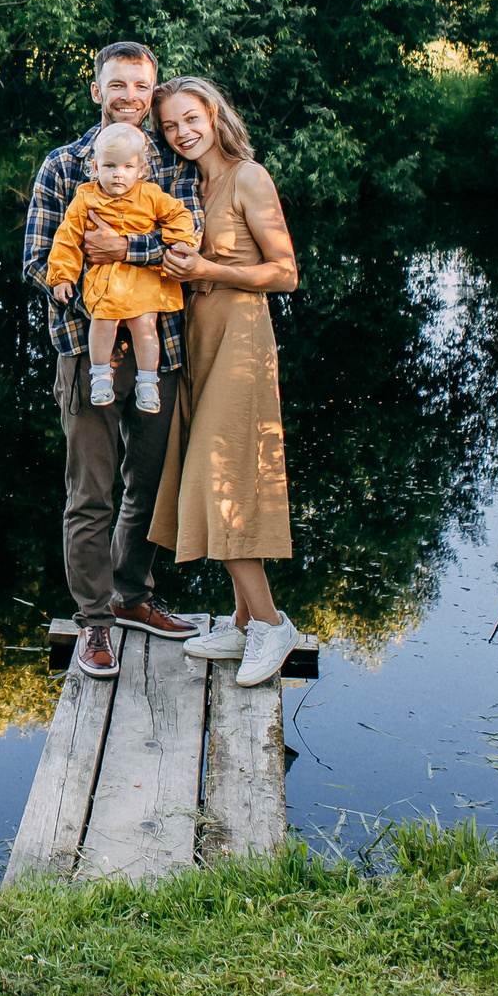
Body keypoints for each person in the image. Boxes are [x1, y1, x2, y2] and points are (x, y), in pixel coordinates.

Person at [23, 42, 205, 681]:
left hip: (163, 351)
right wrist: (94, 290)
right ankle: (94, 622)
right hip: (87, 350)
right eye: (118, 85)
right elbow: (39, 260)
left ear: (152, 96)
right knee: (91, 491)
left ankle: (133, 594)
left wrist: (124, 248)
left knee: (147, 484)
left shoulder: (168, 165)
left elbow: (189, 243)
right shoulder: (64, 166)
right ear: (97, 90)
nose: (131, 96)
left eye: (142, 88)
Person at [149, 76, 303, 688]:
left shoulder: (248, 175)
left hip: (241, 343)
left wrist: (208, 267)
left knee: (221, 476)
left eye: (191, 119)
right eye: (169, 127)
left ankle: (271, 624)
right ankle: (241, 624)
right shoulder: (189, 185)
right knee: (222, 473)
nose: (182, 133)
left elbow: (286, 273)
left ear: (214, 113)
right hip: (198, 343)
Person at [42, 123, 200, 412]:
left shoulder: (151, 195)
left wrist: (179, 241)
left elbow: (180, 215)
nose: (118, 174)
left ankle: (148, 382)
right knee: (103, 319)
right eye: (110, 166)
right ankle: (101, 375)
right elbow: (67, 237)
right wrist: (61, 277)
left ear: (140, 169)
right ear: (95, 166)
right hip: (106, 278)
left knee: (145, 325)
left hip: (143, 279)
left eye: (128, 166)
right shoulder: (86, 199)